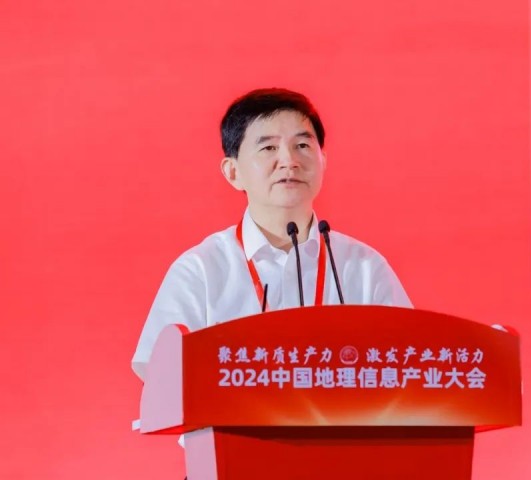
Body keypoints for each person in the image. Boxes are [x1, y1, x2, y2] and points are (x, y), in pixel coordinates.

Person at [132, 88, 412, 380]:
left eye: (302, 145)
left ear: (323, 160)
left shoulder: (365, 268)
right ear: (232, 172)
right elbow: (161, 377)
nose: (289, 160)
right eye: (268, 148)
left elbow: (412, 366)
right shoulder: (199, 271)